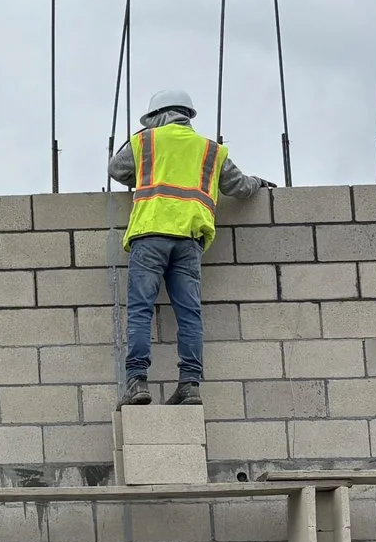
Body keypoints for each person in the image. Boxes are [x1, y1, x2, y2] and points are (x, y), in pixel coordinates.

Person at [106, 88, 269, 406]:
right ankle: (190, 385)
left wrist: (142, 135)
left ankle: (138, 382)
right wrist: (259, 182)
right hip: (189, 242)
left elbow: (117, 170)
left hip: (150, 234)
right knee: (189, 313)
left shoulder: (146, 141)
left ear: (155, 117)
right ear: (187, 115)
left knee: (141, 311)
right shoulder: (210, 149)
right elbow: (240, 186)